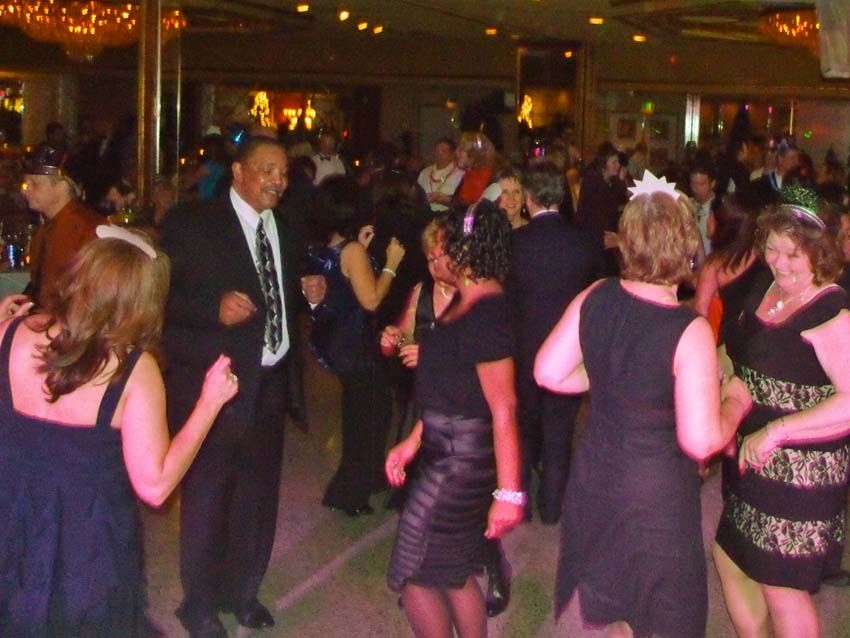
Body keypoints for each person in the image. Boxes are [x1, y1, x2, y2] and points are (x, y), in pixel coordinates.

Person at [535, 172, 752, 638]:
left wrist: (611, 380)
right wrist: (735, 402)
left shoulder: (596, 293)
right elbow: (701, 441)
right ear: (686, 247)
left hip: (597, 479)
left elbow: (548, 371)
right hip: (654, 494)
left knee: (623, 606)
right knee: (665, 610)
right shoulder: (687, 329)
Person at [0, 227, 239, 637]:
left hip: (10, 522)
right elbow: (155, 486)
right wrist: (210, 402)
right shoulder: (133, 371)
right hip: (87, 546)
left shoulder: (9, 333)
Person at [161, 136, 308, 638]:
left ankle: (242, 593)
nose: (277, 181)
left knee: (257, 497)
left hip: (270, 382)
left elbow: (284, 296)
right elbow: (158, 301)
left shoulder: (286, 226)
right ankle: (198, 606)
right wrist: (212, 309)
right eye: (267, 170)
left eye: (283, 172)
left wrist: (312, 294)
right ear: (239, 172)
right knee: (208, 497)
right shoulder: (192, 224)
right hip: (215, 386)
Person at [713, 186, 850, 638]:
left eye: (793, 253)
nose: (780, 262)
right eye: (772, 248)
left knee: (782, 589)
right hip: (753, 462)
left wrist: (777, 432)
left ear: (819, 252)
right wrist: (722, 372)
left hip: (801, 472)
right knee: (730, 557)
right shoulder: (764, 287)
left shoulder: (831, 310)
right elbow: (736, 350)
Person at [386, 199, 525, 638]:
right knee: (453, 571)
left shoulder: (486, 312)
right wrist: (413, 440)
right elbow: (453, 387)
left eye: (450, 244)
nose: (441, 254)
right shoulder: (469, 300)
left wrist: (509, 493)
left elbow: (504, 408)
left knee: (415, 572)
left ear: (470, 249)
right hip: (445, 452)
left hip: (457, 466)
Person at [506, 161, 602, 525]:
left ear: (528, 199)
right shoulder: (584, 242)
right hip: (568, 352)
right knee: (559, 435)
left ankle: (520, 504)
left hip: (524, 349)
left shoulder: (515, 243)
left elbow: (505, 300)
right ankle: (551, 507)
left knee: (524, 431)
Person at [308, 175, 404, 516]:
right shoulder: (350, 252)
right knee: (370, 417)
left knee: (361, 413)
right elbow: (371, 300)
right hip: (358, 346)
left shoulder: (325, 247)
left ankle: (366, 480)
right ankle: (349, 492)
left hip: (339, 341)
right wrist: (391, 264)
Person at [23, 145, 101, 307]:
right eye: (25, 183)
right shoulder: (47, 227)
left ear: (62, 186)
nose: (25, 190)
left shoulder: (86, 229)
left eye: (35, 184)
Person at [417, 137, 464, 213]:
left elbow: (461, 202)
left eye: (443, 151)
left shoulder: (460, 174)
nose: (439, 154)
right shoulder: (425, 172)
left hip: (448, 215)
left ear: (452, 154)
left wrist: (440, 199)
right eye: (437, 151)